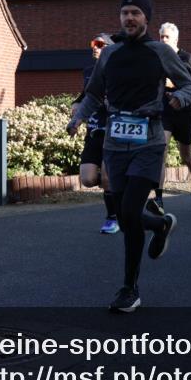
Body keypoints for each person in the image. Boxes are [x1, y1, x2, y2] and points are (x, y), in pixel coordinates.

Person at [67, 0, 191, 313]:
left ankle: (130, 289)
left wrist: (179, 98)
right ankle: (159, 224)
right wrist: (78, 117)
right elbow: (95, 93)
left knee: (128, 210)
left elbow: (190, 84)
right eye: (125, 13)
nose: (129, 18)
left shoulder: (160, 52)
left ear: (146, 18)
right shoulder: (110, 54)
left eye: (135, 13)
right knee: (127, 215)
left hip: (149, 142)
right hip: (115, 143)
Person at [154, 22, 191, 210]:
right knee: (162, 150)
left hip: (185, 111)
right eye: (161, 37)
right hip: (164, 110)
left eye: (167, 37)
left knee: (186, 155)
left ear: (176, 39)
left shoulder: (186, 58)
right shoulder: (157, 58)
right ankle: (159, 198)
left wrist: (175, 84)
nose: (163, 40)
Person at [71, 34, 119, 234]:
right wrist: (76, 105)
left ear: (109, 48)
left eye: (99, 44)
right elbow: (86, 95)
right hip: (93, 131)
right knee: (88, 179)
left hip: (114, 131)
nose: (94, 47)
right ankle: (116, 187)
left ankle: (112, 217)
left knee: (108, 178)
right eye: (93, 44)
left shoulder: (119, 70)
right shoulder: (89, 71)